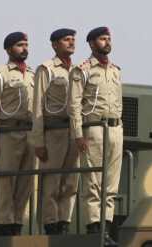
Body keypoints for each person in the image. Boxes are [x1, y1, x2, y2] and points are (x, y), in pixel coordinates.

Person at [67, 26, 122, 247]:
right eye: (102, 39)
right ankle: (94, 228)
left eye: (109, 38)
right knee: (93, 184)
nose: (107, 42)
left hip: (115, 129)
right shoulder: (83, 70)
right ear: (91, 43)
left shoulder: (115, 70)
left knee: (111, 185)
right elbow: (74, 105)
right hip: (94, 129)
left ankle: (106, 228)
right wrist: (78, 134)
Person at [0, 31, 34, 236]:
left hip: (29, 133)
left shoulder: (33, 75)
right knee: (6, 182)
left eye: (26, 44)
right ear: (9, 49)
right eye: (20, 45)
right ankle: (4, 226)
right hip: (8, 132)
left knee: (25, 183)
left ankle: (16, 225)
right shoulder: (0, 74)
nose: (24, 48)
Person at [32, 28, 79, 235]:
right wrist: (39, 141)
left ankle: (64, 222)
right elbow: (37, 107)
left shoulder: (78, 71)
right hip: (54, 131)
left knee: (70, 181)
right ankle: (50, 224)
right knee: (52, 180)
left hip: (72, 131)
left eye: (72, 40)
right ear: (54, 44)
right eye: (66, 40)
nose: (71, 43)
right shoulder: (46, 69)